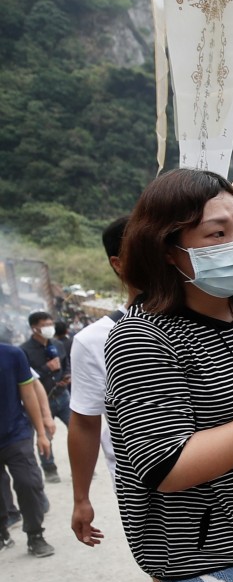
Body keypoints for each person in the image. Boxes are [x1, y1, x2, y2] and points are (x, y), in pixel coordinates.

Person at [104, 168, 233, 582]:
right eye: (216, 235)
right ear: (168, 248)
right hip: (200, 559)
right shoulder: (142, 336)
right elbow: (167, 465)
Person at [68, 215, 137, 548]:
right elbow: (84, 421)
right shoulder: (92, 340)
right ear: (118, 264)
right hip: (144, 491)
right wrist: (81, 498)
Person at [0, 342, 55, 557]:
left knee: (28, 482)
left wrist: (41, 432)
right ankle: (2, 531)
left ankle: (35, 535)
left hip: (16, 434)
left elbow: (29, 393)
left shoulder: (13, 355)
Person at [19, 311, 71, 483]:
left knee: (77, 429)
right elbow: (28, 379)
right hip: (42, 401)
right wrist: (46, 368)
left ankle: (81, 466)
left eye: (51, 324)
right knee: (45, 436)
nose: (50, 328)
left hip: (62, 396)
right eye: (45, 325)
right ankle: (50, 469)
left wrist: (66, 376)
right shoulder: (24, 351)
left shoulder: (58, 344)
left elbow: (65, 364)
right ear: (34, 328)